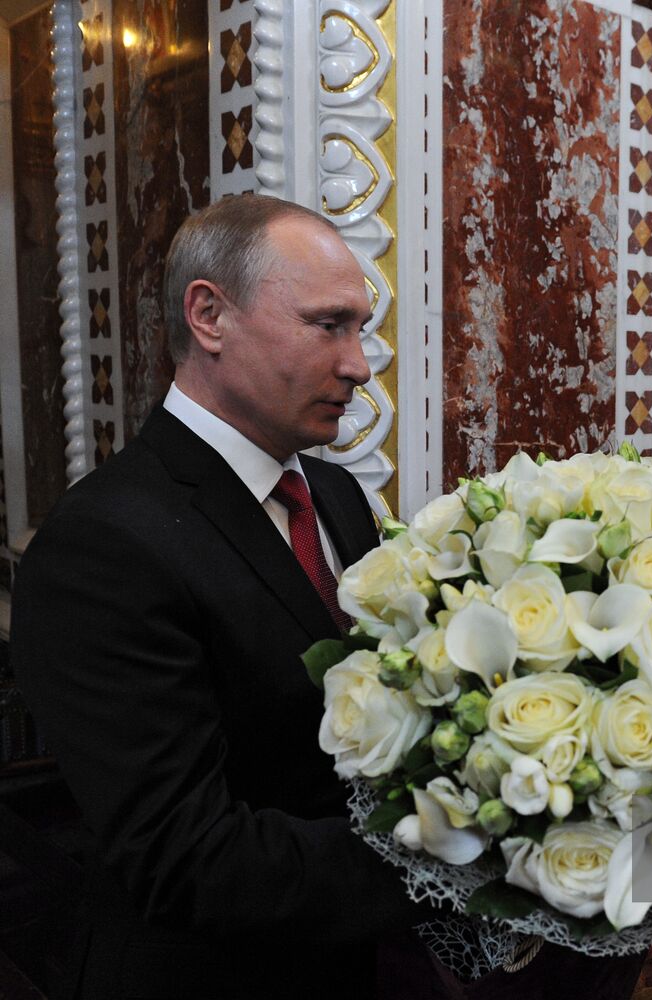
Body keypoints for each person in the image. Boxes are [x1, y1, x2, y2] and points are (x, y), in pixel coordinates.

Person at [10, 194, 430, 998]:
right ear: (209, 316)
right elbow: (184, 855)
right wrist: (459, 856)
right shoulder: (103, 544)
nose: (358, 365)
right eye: (328, 325)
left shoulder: (337, 497)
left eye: (360, 330)